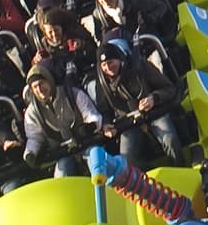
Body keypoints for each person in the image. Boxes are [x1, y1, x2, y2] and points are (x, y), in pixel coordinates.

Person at [97, 31, 193, 168]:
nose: (108, 68)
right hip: (129, 124)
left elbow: (169, 88)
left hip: (155, 113)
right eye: (104, 65)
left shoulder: (140, 66)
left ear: (119, 58)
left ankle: (181, 167)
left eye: (111, 62)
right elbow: (104, 110)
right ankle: (146, 182)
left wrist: (154, 98)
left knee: (169, 139)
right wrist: (106, 124)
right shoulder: (103, 84)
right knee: (126, 160)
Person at [21, 55, 100, 175]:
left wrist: (89, 127)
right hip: (62, 153)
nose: (40, 89)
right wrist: (30, 153)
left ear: (50, 81)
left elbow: (92, 115)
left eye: (42, 83)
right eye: (35, 87)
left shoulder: (72, 94)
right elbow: (34, 137)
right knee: (62, 174)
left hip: (85, 143)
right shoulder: (32, 112)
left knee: (97, 163)